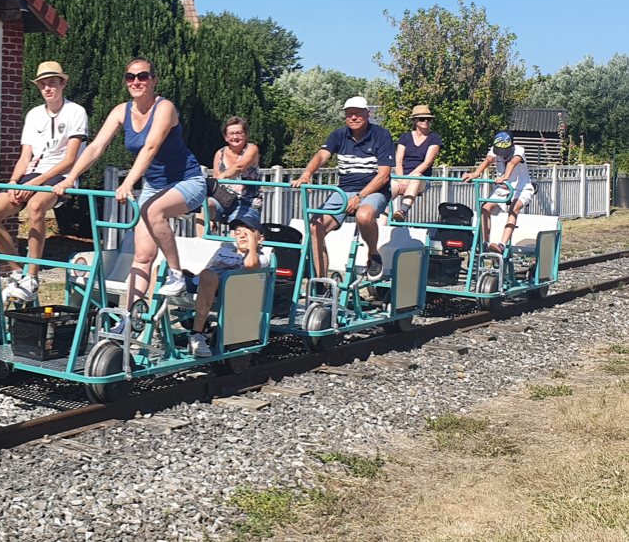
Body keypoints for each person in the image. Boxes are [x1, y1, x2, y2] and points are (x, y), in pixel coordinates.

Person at [55, 57, 206, 315]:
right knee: (142, 257)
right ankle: (131, 320)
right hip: (154, 187)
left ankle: (177, 275)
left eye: (143, 76)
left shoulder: (165, 107)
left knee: (152, 211)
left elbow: (151, 147)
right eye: (130, 77)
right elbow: (96, 147)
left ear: (153, 81)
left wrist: (127, 183)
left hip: (187, 181)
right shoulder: (121, 111)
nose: (136, 81)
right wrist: (70, 178)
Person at [0, 61, 88, 303]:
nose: (47, 89)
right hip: (30, 175)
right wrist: (15, 182)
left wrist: (35, 185)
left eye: (52, 83)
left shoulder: (75, 111)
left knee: (35, 207)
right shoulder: (34, 114)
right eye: (43, 84)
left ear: (63, 84)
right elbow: (26, 156)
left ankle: (33, 277)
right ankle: (17, 272)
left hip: (60, 176)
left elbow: (70, 159)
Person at [291, 97, 394, 281]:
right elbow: (322, 156)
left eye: (357, 114)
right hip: (344, 190)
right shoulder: (338, 135)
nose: (353, 118)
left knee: (363, 215)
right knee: (315, 227)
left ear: (368, 114)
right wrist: (307, 174)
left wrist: (360, 196)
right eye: (349, 114)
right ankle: (322, 283)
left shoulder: (381, 135)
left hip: (374, 190)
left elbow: (384, 176)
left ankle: (373, 255)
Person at [182, 211, 267, 357]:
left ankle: (197, 335)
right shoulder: (224, 250)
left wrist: (252, 244)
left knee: (208, 275)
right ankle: (153, 330)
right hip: (202, 283)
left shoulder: (260, 257)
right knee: (161, 270)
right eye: (238, 232)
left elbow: (250, 265)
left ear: (260, 239)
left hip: (225, 289)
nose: (241, 235)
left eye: (248, 232)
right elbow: (208, 268)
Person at [462, 131, 535, 254]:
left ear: (513, 144)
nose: (502, 154)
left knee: (514, 209)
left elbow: (512, 162)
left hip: (521, 187)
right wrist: (476, 173)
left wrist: (505, 177)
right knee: (485, 208)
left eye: (505, 151)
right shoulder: (494, 150)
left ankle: (502, 244)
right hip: (503, 188)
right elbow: (488, 160)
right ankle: (486, 243)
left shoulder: (519, 150)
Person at [197, 116, 261, 236]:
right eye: (231, 134)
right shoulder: (220, 153)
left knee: (236, 234)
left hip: (246, 202)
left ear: (246, 135)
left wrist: (222, 177)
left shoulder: (251, 149)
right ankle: (202, 245)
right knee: (203, 208)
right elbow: (216, 185)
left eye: (239, 133)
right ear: (226, 137)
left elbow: (240, 167)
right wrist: (211, 218)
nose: (235, 137)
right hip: (223, 200)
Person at [391, 105, 442, 222]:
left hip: (421, 178)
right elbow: (398, 160)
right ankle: (377, 218)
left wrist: (408, 178)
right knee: (386, 191)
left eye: (429, 119)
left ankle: (403, 212)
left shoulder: (434, 138)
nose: (426, 121)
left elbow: (427, 162)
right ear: (414, 121)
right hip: (401, 177)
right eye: (422, 118)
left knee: (416, 177)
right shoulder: (405, 137)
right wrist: (401, 179)